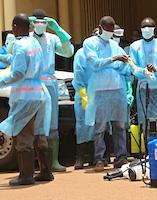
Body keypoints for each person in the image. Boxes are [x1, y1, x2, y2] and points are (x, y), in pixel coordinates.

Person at [0, 13, 53, 186]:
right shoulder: (33, 43)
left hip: (25, 96)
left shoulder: (20, 45)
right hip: (40, 94)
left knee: (22, 135)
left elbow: (18, 72)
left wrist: (1, 82)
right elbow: (20, 62)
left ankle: (26, 175)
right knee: (39, 132)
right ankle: (45, 171)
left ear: (15, 27)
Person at [83, 16, 132, 172]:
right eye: (107, 30)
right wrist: (113, 59)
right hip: (99, 90)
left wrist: (124, 64)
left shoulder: (115, 45)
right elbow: (95, 64)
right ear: (100, 27)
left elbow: (125, 68)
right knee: (100, 127)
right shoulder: (89, 43)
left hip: (117, 89)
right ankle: (99, 158)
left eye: (112, 30)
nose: (110, 33)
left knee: (119, 125)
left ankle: (121, 157)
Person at [29, 9, 74, 172]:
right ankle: (35, 162)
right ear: (32, 22)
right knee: (32, 122)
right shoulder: (27, 39)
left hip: (50, 83)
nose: (40, 25)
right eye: (37, 22)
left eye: (43, 22)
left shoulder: (52, 38)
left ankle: (53, 161)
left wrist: (58, 29)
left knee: (52, 123)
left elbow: (69, 52)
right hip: (32, 83)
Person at [129, 17, 157, 136]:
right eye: (144, 27)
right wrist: (143, 71)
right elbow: (132, 66)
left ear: (154, 29)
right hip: (143, 86)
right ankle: (147, 146)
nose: (147, 29)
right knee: (145, 116)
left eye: (149, 27)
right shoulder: (134, 46)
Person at [72, 48, 95, 170]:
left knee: (95, 124)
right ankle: (80, 157)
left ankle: (93, 156)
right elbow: (78, 73)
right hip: (83, 92)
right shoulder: (81, 53)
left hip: (97, 90)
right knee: (81, 124)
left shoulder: (99, 51)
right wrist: (83, 93)